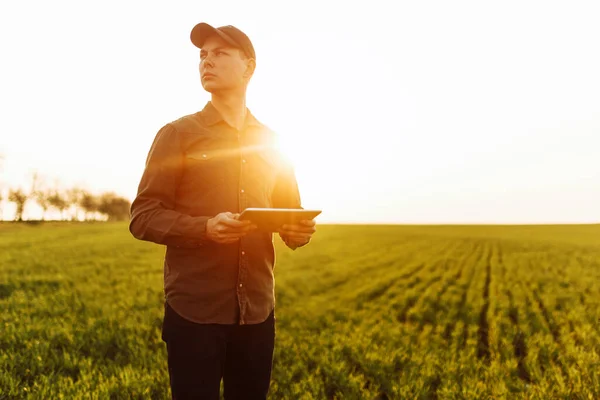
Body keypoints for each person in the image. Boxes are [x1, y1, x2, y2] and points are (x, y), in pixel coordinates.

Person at [129, 22, 317, 399]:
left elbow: (290, 213)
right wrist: (204, 228)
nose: (206, 62)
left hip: (258, 312)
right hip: (194, 311)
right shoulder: (177, 134)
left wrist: (297, 233)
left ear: (248, 67)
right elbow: (143, 215)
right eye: (202, 55)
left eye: (219, 54)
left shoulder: (273, 142)